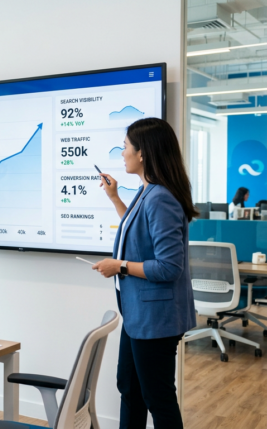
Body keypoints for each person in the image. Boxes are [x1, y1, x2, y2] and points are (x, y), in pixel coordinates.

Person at [92, 118, 197, 429]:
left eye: (126, 147)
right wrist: (114, 199)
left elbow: (168, 266)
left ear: (143, 154)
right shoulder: (147, 192)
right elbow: (138, 233)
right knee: (130, 388)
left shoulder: (161, 197)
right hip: (139, 315)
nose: (122, 153)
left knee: (157, 398)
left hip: (156, 319)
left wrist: (119, 265)